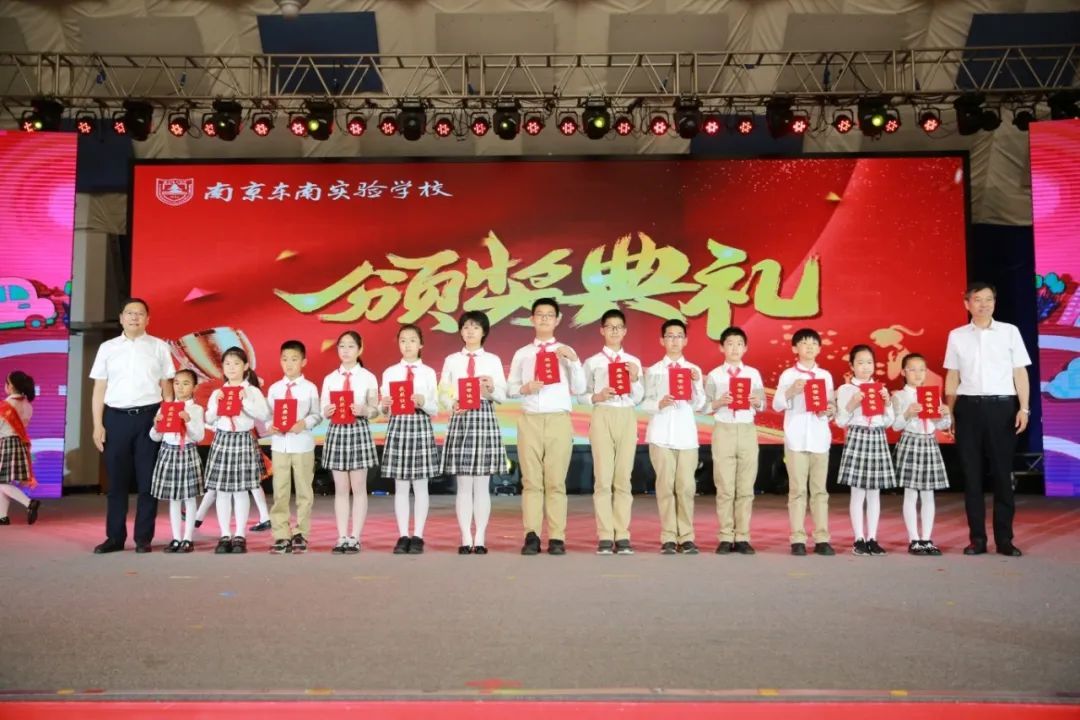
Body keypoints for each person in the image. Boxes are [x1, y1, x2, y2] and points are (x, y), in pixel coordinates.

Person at [944, 281, 1031, 557]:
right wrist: (950, 411)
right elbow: (952, 376)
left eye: (989, 299)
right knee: (972, 477)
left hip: (1002, 408)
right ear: (967, 303)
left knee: (1003, 475)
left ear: (994, 302)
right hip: (968, 409)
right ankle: (977, 540)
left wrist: (1024, 408)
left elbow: (1020, 372)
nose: (984, 304)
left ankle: (1005, 539)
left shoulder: (1010, 332)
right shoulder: (957, 336)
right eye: (978, 299)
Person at [90, 298, 175, 554]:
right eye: (129, 313)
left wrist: (166, 417)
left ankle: (143, 539)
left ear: (148, 319)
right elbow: (99, 389)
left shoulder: (159, 347)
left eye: (139, 313)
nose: (134, 317)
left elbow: (167, 389)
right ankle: (114, 538)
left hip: (149, 418)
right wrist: (97, 425)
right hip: (115, 418)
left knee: (148, 482)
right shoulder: (107, 348)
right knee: (116, 482)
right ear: (121, 318)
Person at [507, 298, 585, 556]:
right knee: (531, 481)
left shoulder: (566, 351)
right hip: (529, 419)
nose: (544, 319)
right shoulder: (522, 353)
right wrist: (525, 388)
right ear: (532, 319)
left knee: (555, 482)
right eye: (539, 314)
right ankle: (531, 535)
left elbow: (580, 388)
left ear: (557, 320)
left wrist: (574, 361)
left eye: (549, 315)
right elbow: (509, 388)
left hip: (558, 419)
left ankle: (556, 536)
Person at [438, 311, 509, 555]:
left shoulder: (493, 360)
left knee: (481, 484)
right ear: (460, 331)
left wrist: (490, 388)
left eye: (476, 327)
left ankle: (480, 538)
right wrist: (451, 403)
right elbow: (442, 391)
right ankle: (465, 537)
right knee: (464, 484)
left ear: (484, 332)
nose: (470, 331)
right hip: (460, 418)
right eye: (466, 327)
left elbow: (502, 395)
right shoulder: (452, 360)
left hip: (484, 416)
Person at [579, 308, 644, 555]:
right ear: (602, 330)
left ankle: (623, 534)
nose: (614, 331)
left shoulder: (633, 362)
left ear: (625, 331)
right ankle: (605, 535)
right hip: (603, 414)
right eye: (610, 327)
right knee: (603, 479)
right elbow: (581, 394)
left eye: (619, 327)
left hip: (626, 415)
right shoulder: (592, 362)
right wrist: (597, 396)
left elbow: (639, 397)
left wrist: (634, 379)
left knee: (623, 479)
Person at [642, 319, 706, 555]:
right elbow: (643, 402)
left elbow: (700, 405)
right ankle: (669, 536)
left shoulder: (693, 370)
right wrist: (659, 403)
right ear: (662, 340)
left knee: (686, 487)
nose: (674, 340)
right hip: (660, 435)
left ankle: (686, 536)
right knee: (665, 487)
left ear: (685, 341)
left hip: (686, 437)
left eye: (679, 336)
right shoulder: (654, 371)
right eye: (670, 336)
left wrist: (696, 384)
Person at [772, 328, 836, 557]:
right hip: (796, 438)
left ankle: (822, 538)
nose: (809, 347)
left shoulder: (825, 375)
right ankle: (797, 538)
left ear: (819, 348)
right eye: (804, 343)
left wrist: (830, 410)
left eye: (814, 343)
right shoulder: (788, 375)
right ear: (795, 348)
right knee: (797, 490)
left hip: (820, 438)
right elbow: (777, 404)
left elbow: (831, 405)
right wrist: (792, 390)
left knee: (820, 491)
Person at [380, 324, 440, 555]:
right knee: (401, 485)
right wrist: (384, 405)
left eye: (412, 340)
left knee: (421, 485)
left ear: (421, 344)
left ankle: (418, 536)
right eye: (403, 340)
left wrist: (423, 401)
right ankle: (403, 535)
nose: (407, 345)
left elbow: (435, 409)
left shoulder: (428, 372)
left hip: (420, 424)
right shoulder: (390, 372)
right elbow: (384, 410)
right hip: (398, 425)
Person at [203, 347, 271, 555]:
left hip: (243, 438)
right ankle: (225, 534)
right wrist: (218, 406)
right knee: (222, 491)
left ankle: (240, 535)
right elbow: (209, 418)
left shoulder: (252, 391)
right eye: (227, 364)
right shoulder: (217, 392)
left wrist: (245, 401)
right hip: (223, 439)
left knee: (241, 490)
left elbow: (264, 414)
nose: (231, 368)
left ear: (246, 366)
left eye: (236, 363)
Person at [704, 327, 765, 555]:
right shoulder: (715, 375)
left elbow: (762, 404)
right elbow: (705, 406)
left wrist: (756, 401)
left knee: (746, 487)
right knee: (725, 487)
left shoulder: (753, 374)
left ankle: (742, 537)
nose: (735, 348)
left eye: (739, 344)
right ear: (722, 347)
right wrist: (719, 402)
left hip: (747, 429)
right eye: (730, 343)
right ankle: (725, 536)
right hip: (724, 430)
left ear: (745, 348)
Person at [320, 331, 380, 554]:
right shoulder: (330, 378)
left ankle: (355, 537)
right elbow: (323, 408)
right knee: (341, 488)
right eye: (342, 346)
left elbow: (376, 410)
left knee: (359, 487)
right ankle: (341, 536)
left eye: (350, 346)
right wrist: (327, 410)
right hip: (337, 431)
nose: (345, 350)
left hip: (358, 430)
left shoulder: (368, 377)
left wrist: (365, 410)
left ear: (360, 349)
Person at [834, 345, 896, 556]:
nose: (866, 367)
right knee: (858, 492)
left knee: (874, 492)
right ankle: (859, 538)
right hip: (858, 436)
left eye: (869, 362)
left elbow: (888, 422)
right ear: (852, 366)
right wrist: (852, 403)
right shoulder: (846, 389)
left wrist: (887, 403)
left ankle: (873, 538)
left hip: (877, 436)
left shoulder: (880, 388)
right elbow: (840, 421)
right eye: (860, 363)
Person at [265, 340, 322, 555]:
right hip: (280, 445)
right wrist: (270, 426)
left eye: (294, 359)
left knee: (304, 491)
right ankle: (281, 534)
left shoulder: (309, 388)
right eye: (285, 359)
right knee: (280, 491)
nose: (289, 364)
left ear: (303, 362)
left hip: (302, 444)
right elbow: (268, 415)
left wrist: (304, 423)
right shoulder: (275, 389)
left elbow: (317, 414)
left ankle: (301, 533)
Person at [891, 353, 951, 556]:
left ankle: (926, 539)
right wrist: (908, 413)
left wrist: (945, 415)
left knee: (928, 494)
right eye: (912, 369)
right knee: (911, 493)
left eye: (922, 370)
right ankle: (914, 539)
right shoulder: (899, 396)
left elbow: (941, 425)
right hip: (910, 441)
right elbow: (895, 425)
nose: (918, 374)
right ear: (903, 372)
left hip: (929, 442)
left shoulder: (931, 395)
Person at [149, 369, 205, 553]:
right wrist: (156, 424)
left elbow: (199, 436)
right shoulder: (166, 407)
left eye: (186, 383)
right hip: (168, 452)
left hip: (186, 451)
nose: (180, 387)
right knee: (173, 498)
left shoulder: (196, 409)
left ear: (194, 387)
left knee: (189, 497)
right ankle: (175, 538)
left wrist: (188, 421)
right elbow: (155, 437)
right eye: (177, 383)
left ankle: (188, 538)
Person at [0, 370, 41, 525]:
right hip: (19, 444)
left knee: (2, 482)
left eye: (6, 383)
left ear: (10, 386)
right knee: (4, 482)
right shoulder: (27, 405)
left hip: (7, 443)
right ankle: (2, 516)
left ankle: (29, 503)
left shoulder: (5, 406)